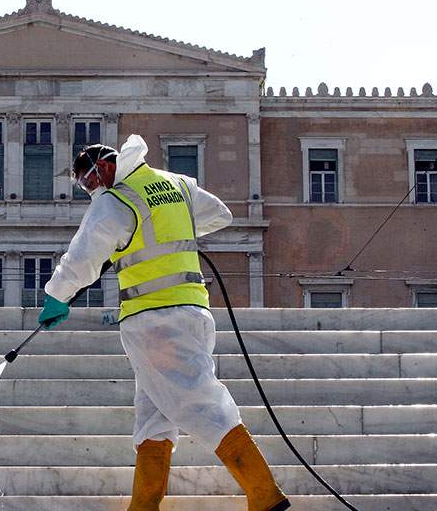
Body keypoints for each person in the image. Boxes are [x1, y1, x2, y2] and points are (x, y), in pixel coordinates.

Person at [39, 134, 289, 511]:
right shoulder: (175, 183)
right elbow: (221, 213)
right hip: (192, 310)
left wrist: (56, 295)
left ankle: (264, 493)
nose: (89, 190)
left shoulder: (115, 198)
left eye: (88, 181)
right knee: (154, 417)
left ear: (105, 167)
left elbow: (82, 257)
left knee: (202, 404)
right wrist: (165, 235)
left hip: (155, 319)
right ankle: (143, 506)